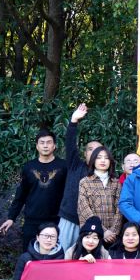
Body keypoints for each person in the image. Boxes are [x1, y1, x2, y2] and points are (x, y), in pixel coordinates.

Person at [0, 128, 68, 249]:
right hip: (32, 221)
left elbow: (70, 194)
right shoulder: (28, 167)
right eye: (42, 142)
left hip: (56, 221)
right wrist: (11, 218)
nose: (45, 146)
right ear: (37, 146)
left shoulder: (63, 166)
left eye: (49, 142)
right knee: (29, 255)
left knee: (55, 256)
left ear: (54, 146)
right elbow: (21, 194)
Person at [56, 103, 103, 251]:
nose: (94, 152)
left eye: (98, 150)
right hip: (69, 219)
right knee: (63, 256)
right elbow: (70, 144)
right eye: (90, 149)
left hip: (93, 224)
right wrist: (74, 121)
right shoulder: (76, 165)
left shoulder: (106, 173)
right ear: (85, 153)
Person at [77, 146, 122, 248]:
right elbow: (84, 209)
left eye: (106, 158)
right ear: (93, 160)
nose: (103, 160)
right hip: (92, 234)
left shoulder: (116, 182)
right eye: (99, 157)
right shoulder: (85, 182)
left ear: (110, 161)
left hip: (113, 236)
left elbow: (120, 209)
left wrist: (113, 232)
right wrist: (102, 231)